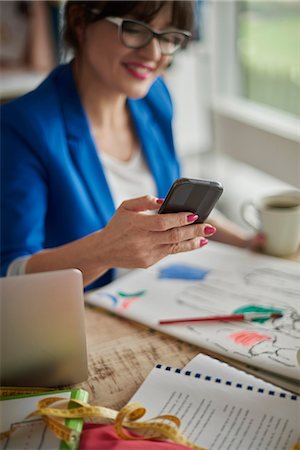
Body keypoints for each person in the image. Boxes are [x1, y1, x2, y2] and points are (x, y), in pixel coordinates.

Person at [1, 1, 261, 290]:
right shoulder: (21, 128)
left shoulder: (155, 98)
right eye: (135, 29)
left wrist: (247, 242)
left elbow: (172, 209)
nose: (153, 54)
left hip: (158, 296)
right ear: (80, 20)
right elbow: (11, 274)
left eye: (169, 37)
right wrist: (103, 251)